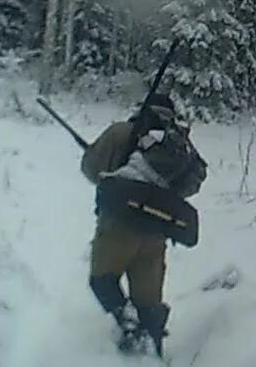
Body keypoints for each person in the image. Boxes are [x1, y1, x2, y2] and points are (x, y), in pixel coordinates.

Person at [80, 93, 205, 356]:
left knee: (102, 280)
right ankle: (153, 351)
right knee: (149, 302)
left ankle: (129, 328)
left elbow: (91, 169)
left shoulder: (121, 132)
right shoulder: (178, 146)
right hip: (155, 234)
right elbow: (188, 186)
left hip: (117, 226)